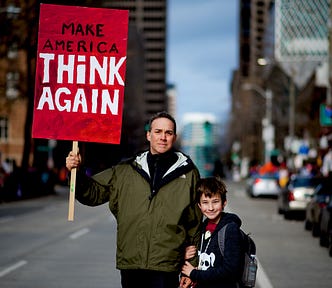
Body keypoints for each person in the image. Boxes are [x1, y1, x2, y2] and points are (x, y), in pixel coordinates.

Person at [66, 111, 202, 288]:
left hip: (166, 265)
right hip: (131, 264)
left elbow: (195, 224)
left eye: (168, 133)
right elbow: (92, 193)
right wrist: (76, 172)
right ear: (148, 135)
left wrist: (191, 267)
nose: (163, 137)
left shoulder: (189, 173)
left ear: (174, 137)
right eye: (158, 131)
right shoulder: (125, 170)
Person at [181, 177, 243, 288]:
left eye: (215, 202)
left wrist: (194, 274)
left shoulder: (230, 229)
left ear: (224, 203)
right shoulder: (201, 228)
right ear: (199, 206)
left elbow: (230, 271)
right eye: (205, 202)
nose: (210, 208)